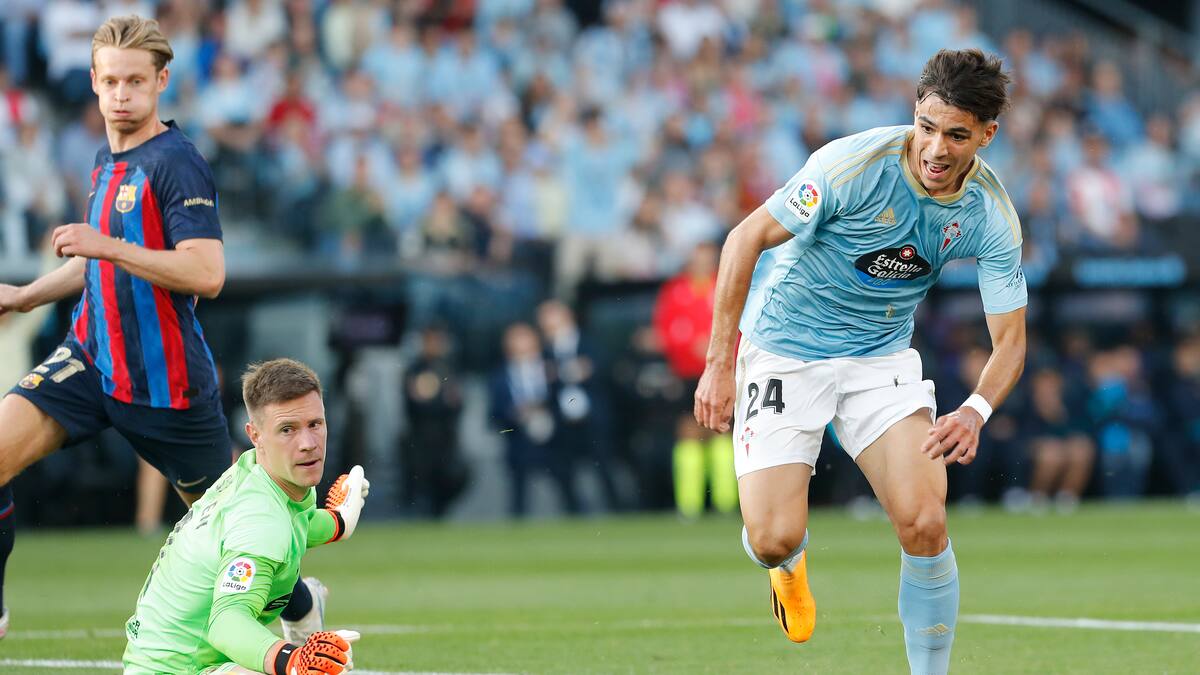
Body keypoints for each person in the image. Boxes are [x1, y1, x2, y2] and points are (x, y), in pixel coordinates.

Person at [694, 49, 1027, 675]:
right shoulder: (851, 166)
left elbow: (1010, 340)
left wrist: (977, 409)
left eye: (956, 135)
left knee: (926, 521)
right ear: (915, 114)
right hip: (785, 349)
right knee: (772, 537)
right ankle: (786, 567)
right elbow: (744, 239)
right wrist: (718, 364)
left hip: (879, 361)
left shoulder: (989, 214)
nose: (935, 149)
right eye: (927, 127)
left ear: (986, 135)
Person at [0, 15, 317, 641]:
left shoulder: (178, 163)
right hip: (90, 358)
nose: (121, 94)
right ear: (93, 80)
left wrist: (107, 246)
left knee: (235, 538)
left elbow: (207, 273)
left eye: (135, 82)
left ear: (161, 81)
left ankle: (305, 605)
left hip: (166, 384)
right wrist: (27, 296)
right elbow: (98, 265)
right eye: (111, 81)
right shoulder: (104, 158)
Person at [123, 357, 370, 674]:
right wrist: (293, 661)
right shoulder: (261, 520)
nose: (308, 444)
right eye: (287, 430)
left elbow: (297, 523)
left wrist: (340, 521)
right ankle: (304, 609)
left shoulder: (260, 470)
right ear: (255, 435)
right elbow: (226, 624)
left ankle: (304, 606)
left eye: (315, 424)